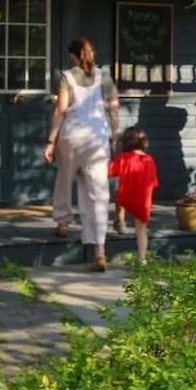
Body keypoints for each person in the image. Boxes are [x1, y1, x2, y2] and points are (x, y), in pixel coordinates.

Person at [44, 37, 118, 272]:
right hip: (97, 137)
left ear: (74, 56)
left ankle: (63, 223)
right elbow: (114, 109)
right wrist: (114, 137)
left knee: (65, 179)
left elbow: (60, 110)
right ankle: (100, 250)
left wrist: (50, 141)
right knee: (98, 192)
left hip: (72, 135)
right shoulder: (105, 77)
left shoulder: (67, 77)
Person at [109, 126, 158, 263]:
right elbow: (153, 182)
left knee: (118, 198)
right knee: (141, 230)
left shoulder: (124, 158)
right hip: (143, 200)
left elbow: (110, 171)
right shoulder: (149, 160)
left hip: (126, 196)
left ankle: (120, 220)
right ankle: (142, 259)